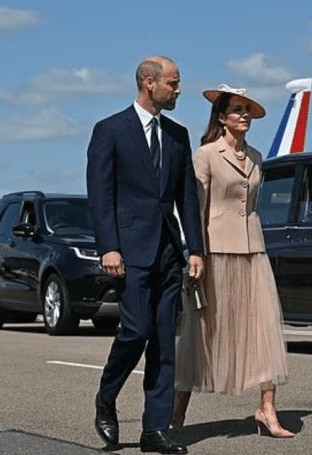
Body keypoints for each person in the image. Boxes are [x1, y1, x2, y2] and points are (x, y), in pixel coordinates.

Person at [86, 56, 204, 454]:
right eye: (173, 83)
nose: (178, 90)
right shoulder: (110, 130)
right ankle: (106, 397)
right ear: (149, 83)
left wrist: (195, 250)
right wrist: (109, 247)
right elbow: (101, 195)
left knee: (164, 343)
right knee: (136, 331)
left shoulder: (177, 135)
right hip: (130, 249)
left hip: (169, 251)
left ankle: (155, 429)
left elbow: (187, 197)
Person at [172, 85, 293, 438]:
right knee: (201, 331)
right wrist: (196, 252)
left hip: (254, 251)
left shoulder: (256, 157)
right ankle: (176, 415)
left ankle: (267, 409)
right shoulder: (206, 155)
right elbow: (196, 208)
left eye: (247, 110)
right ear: (222, 117)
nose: (244, 115)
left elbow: (251, 206)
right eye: (237, 110)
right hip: (216, 251)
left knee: (263, 327)